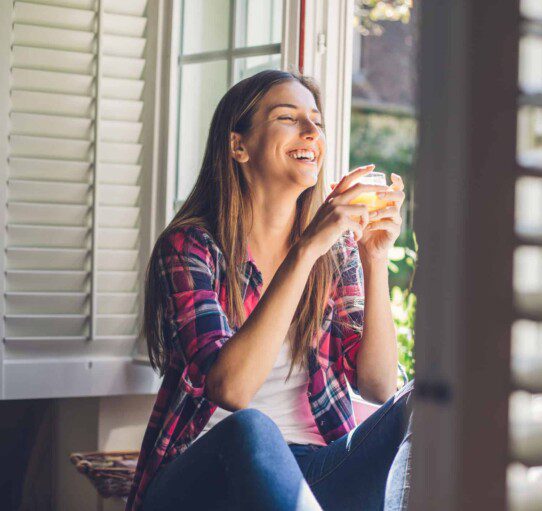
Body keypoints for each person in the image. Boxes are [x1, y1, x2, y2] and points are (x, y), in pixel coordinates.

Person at [126, 69, 414, 511]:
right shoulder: (191, 248)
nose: (311, 131)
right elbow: (231, 391)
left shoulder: (336, 252)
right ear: (238, 145)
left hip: (313, 469)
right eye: (288, 117)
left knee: (420, 401)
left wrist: (374, 259)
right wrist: (305, 251)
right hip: (204, 472)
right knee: (252, 426)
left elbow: (377, 385)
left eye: (316, 121)